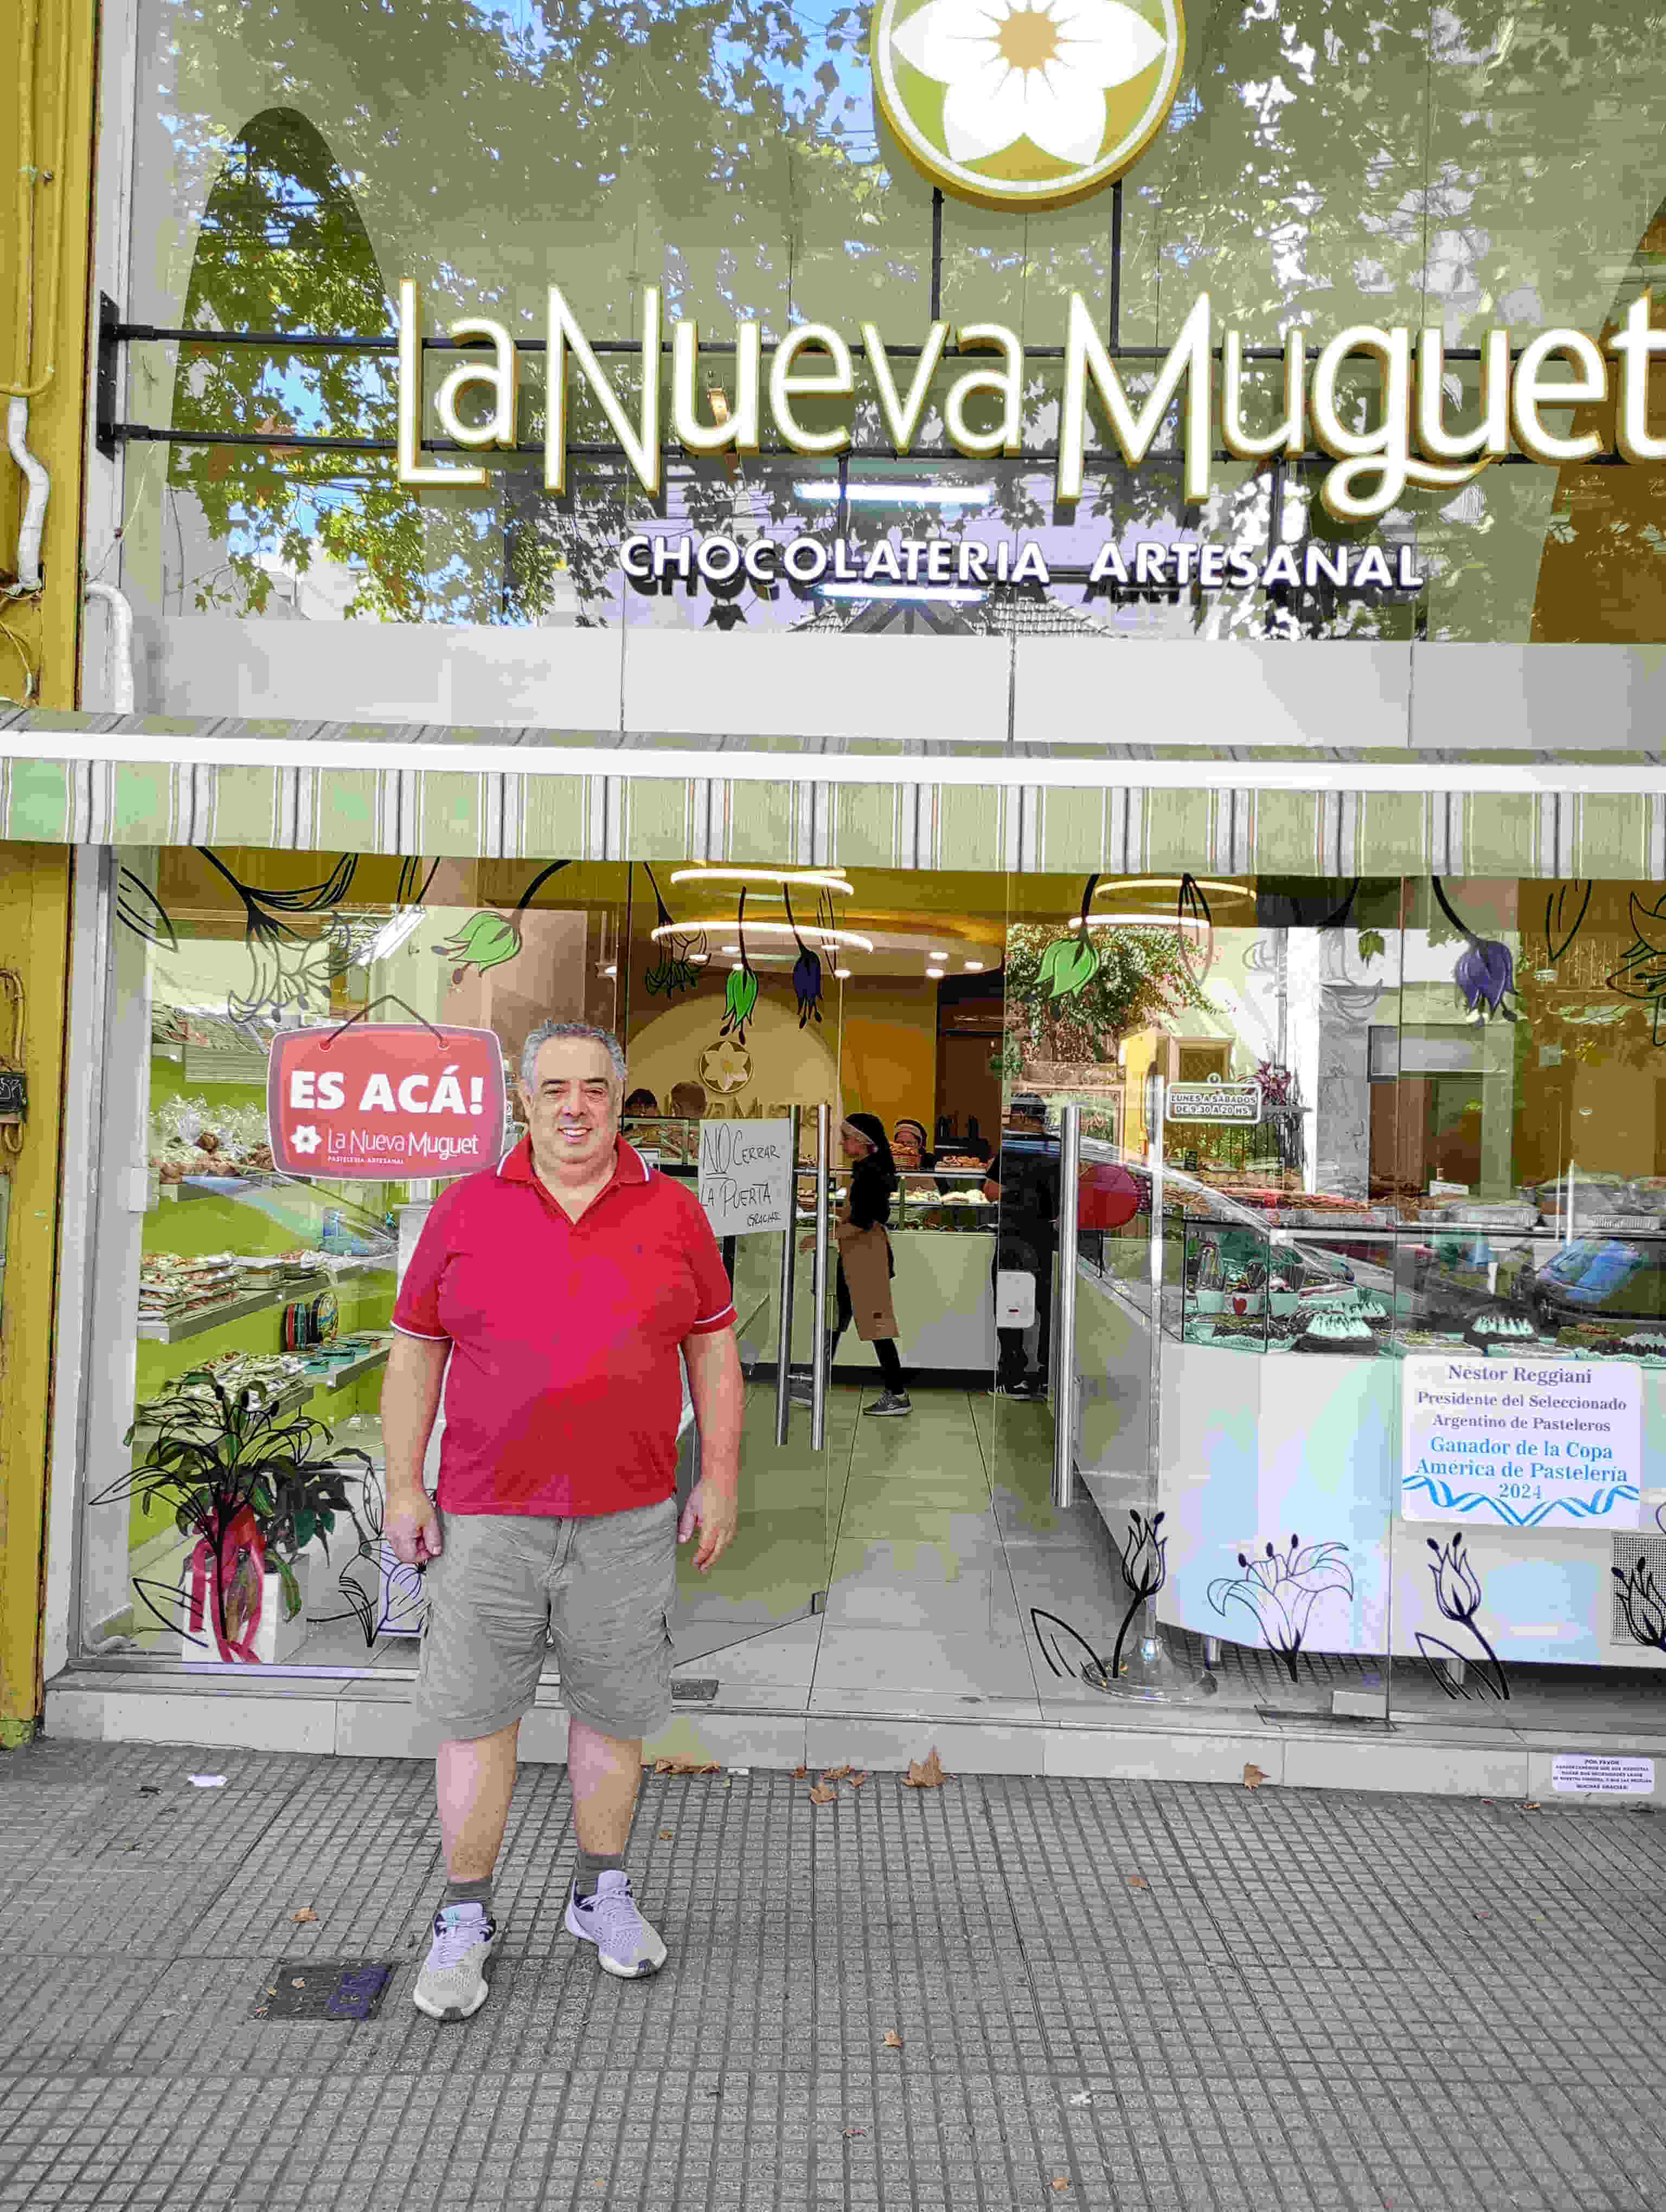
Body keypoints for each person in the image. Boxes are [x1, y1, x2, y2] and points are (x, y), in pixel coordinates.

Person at [382, 1020, 744, 2023]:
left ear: (619, 1100)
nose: (575, 1108)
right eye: (554, 1089)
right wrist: (404, 1485)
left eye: (594, 1089)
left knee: (613, 1715)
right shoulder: (465, 1208)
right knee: (475, 1720)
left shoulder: (674, 1211)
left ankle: (600, 1895)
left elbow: (713, 1350)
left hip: (629, 1514)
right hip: (486, 1516)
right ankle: (464, 1917)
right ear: (524, 1100)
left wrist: (718, 1477)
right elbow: (415, 1351)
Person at [832, 1113, 911, 1418]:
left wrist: (824, 1236)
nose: (842, 1143)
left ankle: (898, 1394)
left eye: (846, 1138)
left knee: (876, 1326)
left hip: (867, 1257)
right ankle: (815, 1381)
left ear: (862, 1142)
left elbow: (863, 1222)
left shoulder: (871, 1173)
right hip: (858, 1254)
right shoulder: (867, 1169)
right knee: (835, 1319)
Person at [983, 1095, 1060, 1399]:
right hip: (1049, 1239)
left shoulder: (1013, 1147)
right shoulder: (1058, 1148)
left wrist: (1013, 1192)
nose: (1010, 1121)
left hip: (1015, 1237)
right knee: (1048, 1310)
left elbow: (990, 1191)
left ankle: (1013, 1378)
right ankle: (1047, 1377)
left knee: (1010, 1307)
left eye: (1013, 1115)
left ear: (1025, 1117)